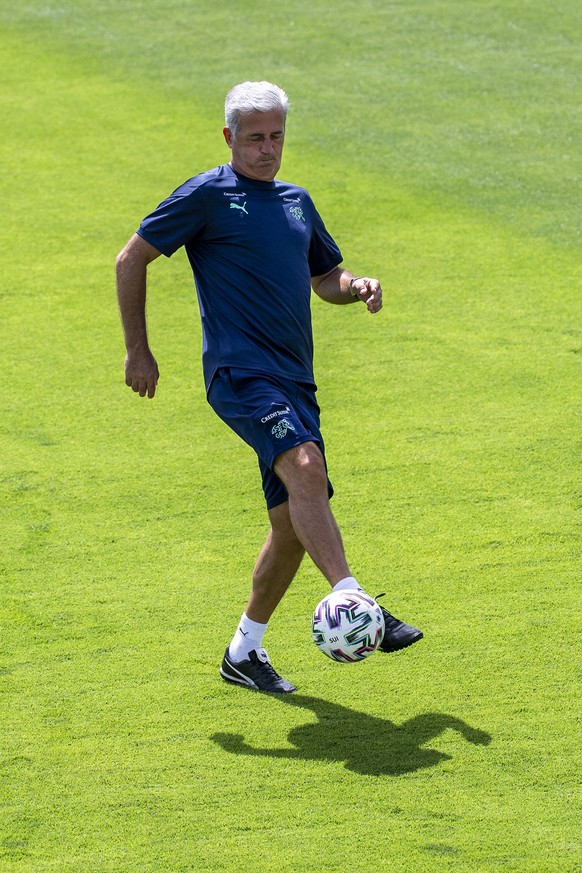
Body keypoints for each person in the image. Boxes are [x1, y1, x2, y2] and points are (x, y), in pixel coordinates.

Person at [116, 81, 423, 694]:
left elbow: (325, 279)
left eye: (276, 136)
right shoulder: (207, 195)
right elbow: (131, 259)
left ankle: (243, 652)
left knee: (290, 524)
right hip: (240, 373)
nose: (267, 149)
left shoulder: (295, 202)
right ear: (229, 137)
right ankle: (356, 600)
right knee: (305, 468)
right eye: (254, 138)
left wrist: (356, 285)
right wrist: (138, 349)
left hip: (295, 379)